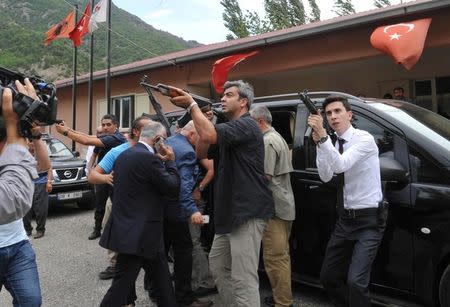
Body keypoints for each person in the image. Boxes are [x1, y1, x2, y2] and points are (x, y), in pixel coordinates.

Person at [169, 80, 274, 307]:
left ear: (243, 102)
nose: (222, 99)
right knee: (218, 267)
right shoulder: (227, 129)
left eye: (229, 95)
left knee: (244, 278)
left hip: (247, 212)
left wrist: (192, 106)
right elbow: (201, 151)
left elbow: (210, 136)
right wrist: (201, 122)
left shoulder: (247, 125)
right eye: (222, 95)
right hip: (229, 214)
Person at [307, 96, 385, 307]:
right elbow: (325, 175)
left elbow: (341, 165)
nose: (333, 116)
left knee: (356, 282)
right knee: (328, 277)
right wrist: (321, 144)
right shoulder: (330, 142)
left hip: (369, 219)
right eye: (329, 113)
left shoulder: (364, 139)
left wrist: (323, 138)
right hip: (345, 220)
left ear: (349, 114)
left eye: (337, 111)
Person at [99, 122, 178, 307]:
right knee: (120, 288)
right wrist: (171, 161)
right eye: (164, 139)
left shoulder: (125, 155)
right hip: (140, 235)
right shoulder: (149, 159)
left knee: (163, 282)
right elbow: (173, 188)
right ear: (158, 139)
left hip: (137, 231)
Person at [0, 79, 51, 306]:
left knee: (31, 301)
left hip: (17, 244)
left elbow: (43, 165)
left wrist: (34, 136)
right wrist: (15, 128)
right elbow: (13, 199)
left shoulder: (13, 152)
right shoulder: (14, 150)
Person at [88, 116, 152, 280]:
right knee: (114, 233)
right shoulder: (118, 151)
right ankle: (114, 265)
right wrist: (106, 178)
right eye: (147, 128)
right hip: (118, 200)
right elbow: (93, 176)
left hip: (145, 203)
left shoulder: (157, 149)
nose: (153, 132)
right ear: (136, 131)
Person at [161, 121, 213, 307]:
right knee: (185, 251)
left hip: (162, 208)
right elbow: (183, 186)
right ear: (192, 135)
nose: (204, 143)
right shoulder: (188, 151)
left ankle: (156, 292)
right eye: (202, 138)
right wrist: (192, 210)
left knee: (160, 251)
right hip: (177, 210)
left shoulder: (170, 141)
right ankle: (184, 298)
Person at [250, 105, 295, 307]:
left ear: (259, 122)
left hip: (274, 208)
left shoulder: (267, 141)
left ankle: (283, 302)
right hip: (283, 204)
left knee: (275, 258)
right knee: (280, 256)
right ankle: (281, 297)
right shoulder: (277, 137)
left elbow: (264, 177)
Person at [55, 115, 126, 240]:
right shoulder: (105, 138)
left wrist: (66, 132)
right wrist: (68, 129)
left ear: (116, 126)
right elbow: (89, 139)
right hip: (101, 176)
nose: (105, 127)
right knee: (99, 204)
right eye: (103, 125)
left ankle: (118, 232)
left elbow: (86, 141)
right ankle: (97, 229)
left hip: (115, 177)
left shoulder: (117, 138)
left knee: (117, 205)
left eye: (108, 124)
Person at [23, 132, 53, 239]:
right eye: (30, 141)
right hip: (27, 182)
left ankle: (40, 229)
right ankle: (27, 229)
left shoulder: (41, 151)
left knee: (41, 208)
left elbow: (49, 167)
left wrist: (49, 182)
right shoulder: (23, 152)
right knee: (25, 208)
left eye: (33, 141)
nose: (32, 144)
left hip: (41, 181)